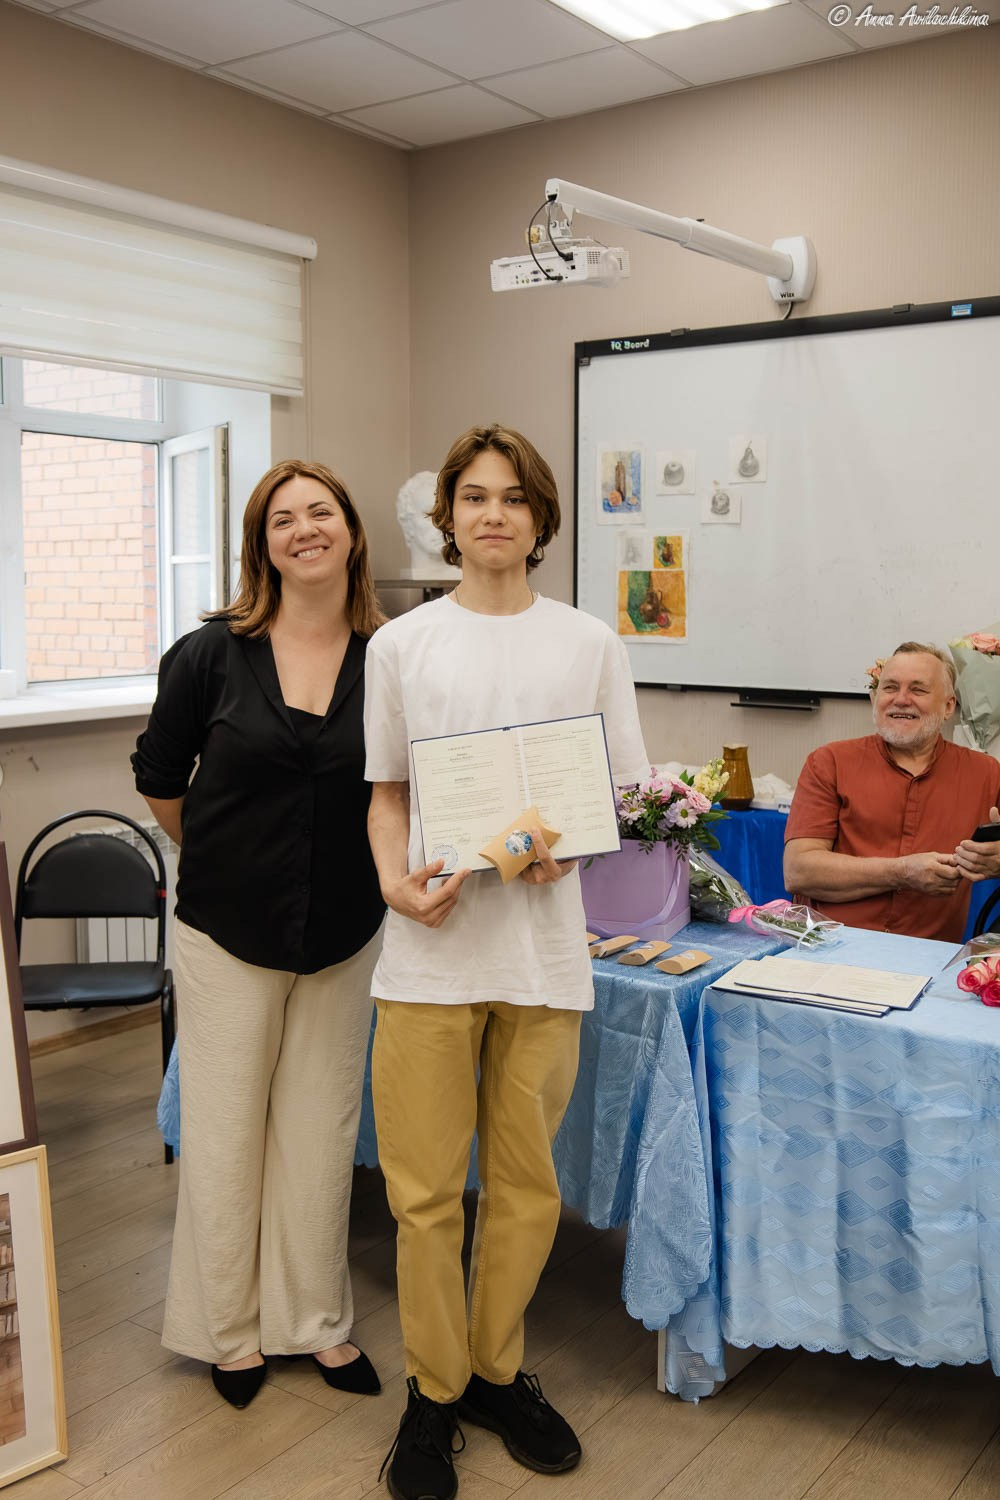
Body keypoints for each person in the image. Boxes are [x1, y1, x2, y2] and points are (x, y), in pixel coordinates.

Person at [364, 423, 647, 1500]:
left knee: (526, 1187)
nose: (492, 514)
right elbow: (386, 796)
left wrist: (557, 848)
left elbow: (609, 796)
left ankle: (497, 1369)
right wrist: (394, 882)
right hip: (429, 954)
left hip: (539, 955)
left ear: (540, 519)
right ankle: (433, 1394)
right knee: (425, 1193)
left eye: (513, 498)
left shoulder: (586, 642)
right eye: (473, 496)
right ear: (448, 517)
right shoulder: (401, 646)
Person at [131, 459, 386, 1409]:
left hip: (346, 930)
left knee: (321, 1135)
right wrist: (228, 852)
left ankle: (315, 1322)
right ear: (262, 544)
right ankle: (227, 1333)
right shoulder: (209, 654)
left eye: (323, 510)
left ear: (352, 532)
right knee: (227, 1129)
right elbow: (161, 777)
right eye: (284, 518)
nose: (305, 528)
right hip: (227, 930)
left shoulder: (390, 654)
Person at [783, 641, 1000, 942]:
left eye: (918, 690)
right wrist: (902, 872)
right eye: (890, 687)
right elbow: (799, 871)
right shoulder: (830, 762)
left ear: (949, 706)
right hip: (829, 948)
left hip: (929, 958)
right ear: (874, 697)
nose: (901, 700)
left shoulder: (986, 773)